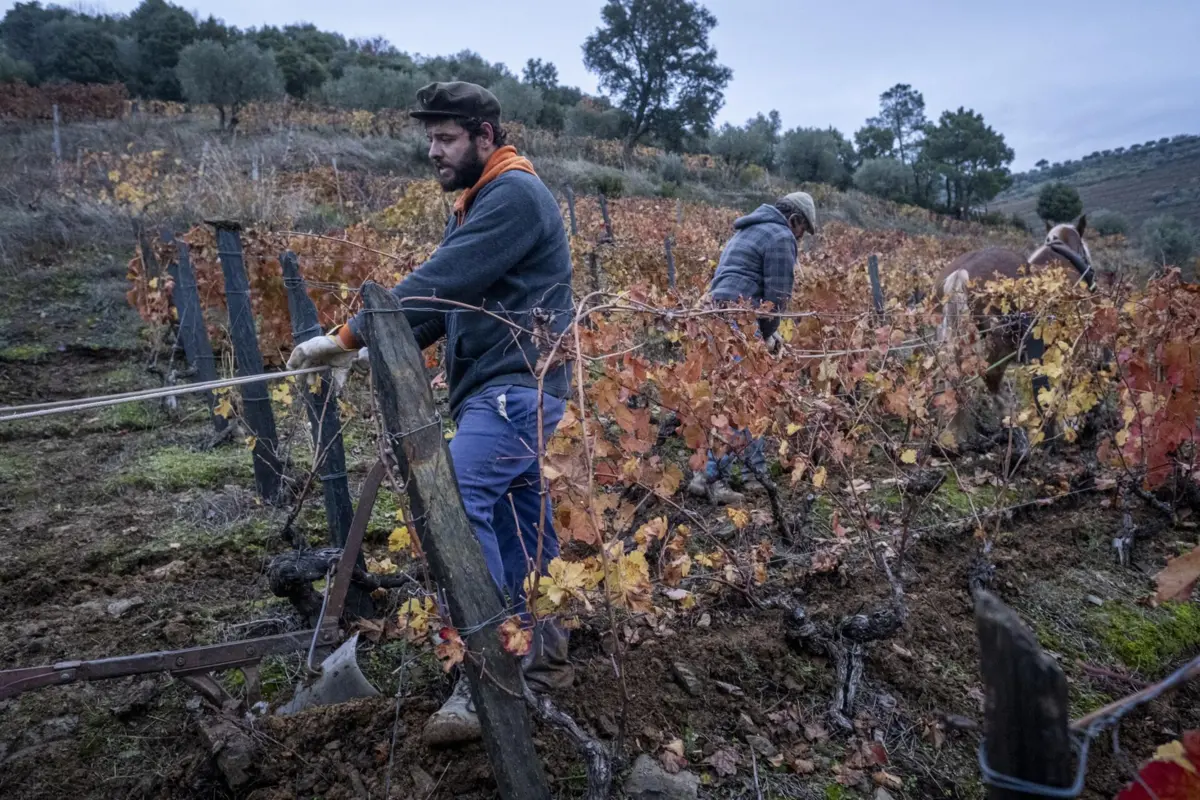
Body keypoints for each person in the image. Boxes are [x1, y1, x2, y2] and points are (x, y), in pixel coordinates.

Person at [287, 80, 575, 745]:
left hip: (514, 389)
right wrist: (370, 347)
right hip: (504, 389)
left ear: (484, 136)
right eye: (429, 140)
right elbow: (448, 305)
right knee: (520, 524)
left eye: (445, 139)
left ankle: (487, 674)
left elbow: (440, 278)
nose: (433, 152)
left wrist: (352, 334)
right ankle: (548, 648)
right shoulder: (481, 200)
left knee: (453, 506)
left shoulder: (514, 195)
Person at [687, 191, 816, 505]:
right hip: (741, 321)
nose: (800, 237)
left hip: (715, 317)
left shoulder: (747, 229)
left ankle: (753, 472)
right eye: (803, 230)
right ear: (795, 220)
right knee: (742, 402)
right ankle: (708, 478)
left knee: (744, 399)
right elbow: (777, 298)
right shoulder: (781, 236)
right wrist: (769, 336)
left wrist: (764, 334)